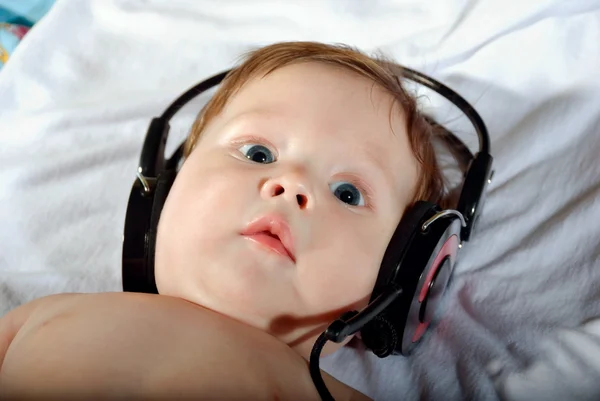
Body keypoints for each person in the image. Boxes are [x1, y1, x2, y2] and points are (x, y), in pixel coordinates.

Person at [0, 41, 450, 400]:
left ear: (400, 280)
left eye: (347, 193)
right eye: (258, 154)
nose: (291, 184)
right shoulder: (48, 312)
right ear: (158, 196)